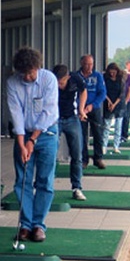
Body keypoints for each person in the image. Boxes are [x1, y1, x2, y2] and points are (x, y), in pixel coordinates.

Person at [7, 47, 59, 243]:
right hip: (23, 134)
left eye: (31, 72)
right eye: (24, 73)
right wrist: (22, 143)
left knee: (45, 180)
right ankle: (25, 225)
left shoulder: (49, 79)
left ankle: (38, 224)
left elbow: (49, 111)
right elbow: (16, 113)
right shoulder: (12, 83)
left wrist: (32, 139)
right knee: (22, 180)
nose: (27, 77)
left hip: (46, 133)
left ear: (38, 67)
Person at [52, 64, 87, 201]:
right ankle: (46, 186)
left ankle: (77, 188)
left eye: (61, 82)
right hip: (54, 120)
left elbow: (84, 91)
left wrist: (82, 109)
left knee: (77, 154)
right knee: (51, 154)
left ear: (68, 77)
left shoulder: (76, 79)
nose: (59, 86)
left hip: (72, 119)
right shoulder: (49, 81)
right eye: (57, 82)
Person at [77, 55, 107, 169]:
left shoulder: (97, 76)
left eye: (91, 64)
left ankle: (98, 158)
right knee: (82, 135)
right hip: (81, 110)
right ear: (81, 63)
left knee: (98, 133)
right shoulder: (76, 76)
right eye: (86, 64)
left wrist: (92, 105)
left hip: (94, 108)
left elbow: (102, 93)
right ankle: (84, 159)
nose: (89, 67)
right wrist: (81, 107)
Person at [102, 62, 127, 154]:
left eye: (114, 72)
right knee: (106, 126)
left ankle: (116, 146)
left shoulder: (121, 79)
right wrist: (109, 102)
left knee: (118, 126)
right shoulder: (105, 78)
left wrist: (114, 104)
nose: (112, 74)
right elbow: (103, 91)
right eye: (110, 72)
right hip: (108, 103)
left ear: (117, 71)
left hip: (119, 104)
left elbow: (122, 93)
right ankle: (104, 146)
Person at [120, 65, 130, 143]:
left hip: (129, 100)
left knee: (126, 116)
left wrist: (126, 101)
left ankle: (124, 136)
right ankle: (119, 135)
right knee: (120, 117)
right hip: (120, 99)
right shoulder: (119, 77)